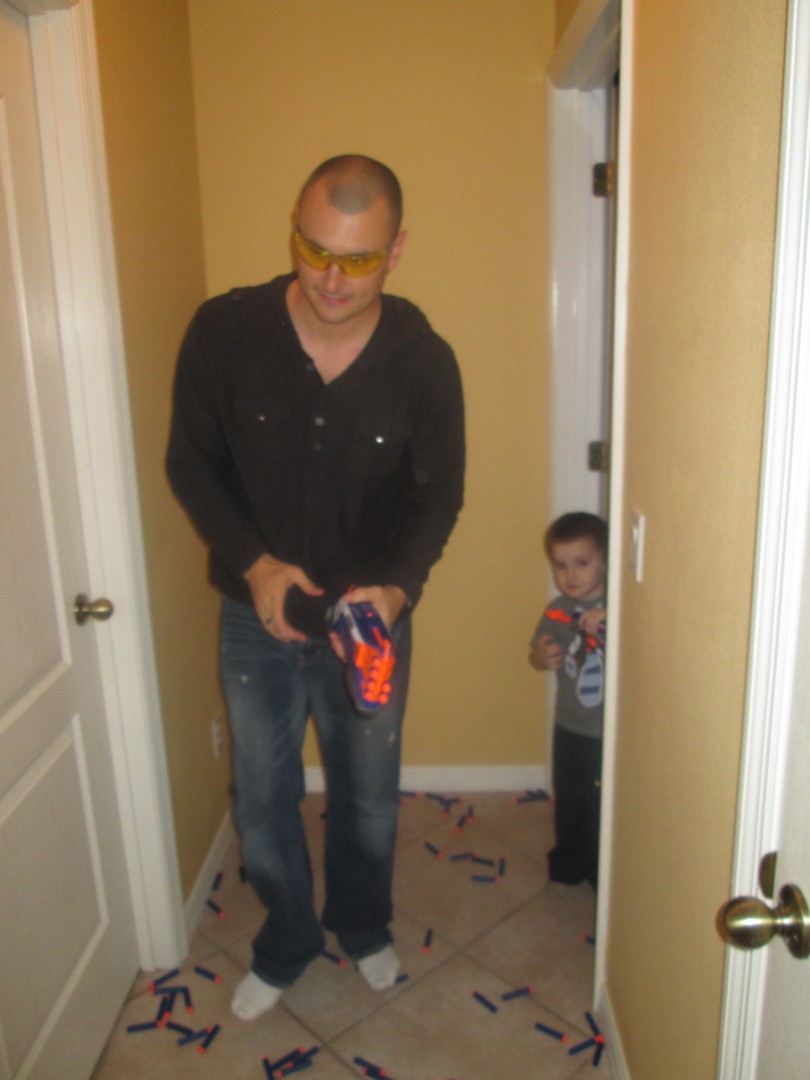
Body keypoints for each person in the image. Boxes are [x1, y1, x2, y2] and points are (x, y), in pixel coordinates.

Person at [166, 154, 465, 1020]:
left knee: (367, 801)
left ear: (397, 250)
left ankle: (362, 926)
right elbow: (190, 462)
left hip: (368, 627)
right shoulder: (224, 333)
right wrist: (254, 563)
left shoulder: (424, 363)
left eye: (359, 259)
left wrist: (399, 591)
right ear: (294, 231)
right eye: (314, 249)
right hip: (254, 619)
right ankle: (289, 939)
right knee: (263, 803)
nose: (332, 279)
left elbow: (438, 494)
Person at [529, 512, 607, 890]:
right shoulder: (557, 610)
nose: (570, 575)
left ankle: (599, 868)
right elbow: (535, 653)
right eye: (561, 566)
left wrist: (608, 616)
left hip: (603, 731)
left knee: (598, 802)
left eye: (582, 563)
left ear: (605, 561)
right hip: (567, 724)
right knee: (570, 796)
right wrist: (541, 656)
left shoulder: (619, 606)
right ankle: (568, 861)